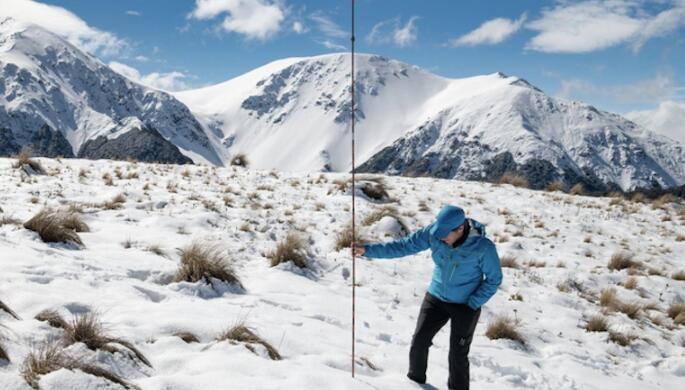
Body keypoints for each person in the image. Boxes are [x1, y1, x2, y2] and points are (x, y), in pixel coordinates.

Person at [352, 205, 502, 390]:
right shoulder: (434, 233)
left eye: (445, 234)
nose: (440, 237)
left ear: (460, 229)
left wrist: (473, 303)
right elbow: (403, 246)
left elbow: (494, 279)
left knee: (458, 355)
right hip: (436, 298)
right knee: (419, 342)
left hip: (466, 306)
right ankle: (414, 384)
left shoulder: (483, 248)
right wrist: (367, 250)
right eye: (438, 233)